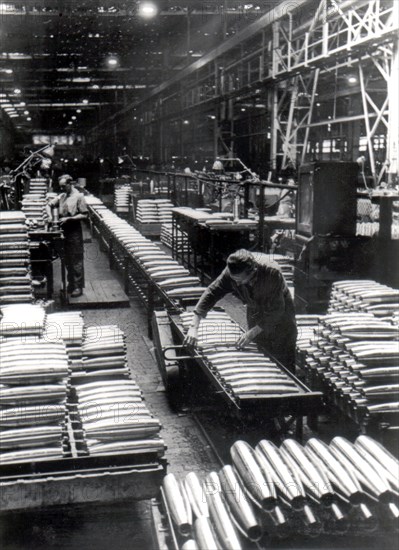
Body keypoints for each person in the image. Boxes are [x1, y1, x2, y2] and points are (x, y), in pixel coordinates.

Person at [184, 249, 297, 372]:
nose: (237, 284)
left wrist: (252, 332)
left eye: (241, 281)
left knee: (283, 349)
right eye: (235, 280)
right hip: (255, 307)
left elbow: (276, 310)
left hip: (281, 310)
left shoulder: (271, 272)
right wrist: (193, 326)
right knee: (259, 347)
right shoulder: (232, 272)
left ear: (253, 272)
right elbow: (212, 292)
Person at [47, 174, 88, 297]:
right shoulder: (62, 196)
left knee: (76, 259)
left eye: (64, 186)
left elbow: (85, 215)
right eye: (61, 187)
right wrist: (50, 217)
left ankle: (78, 287)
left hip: (74, 230)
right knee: (67, 259)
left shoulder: (79, 197)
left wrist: (70, 218)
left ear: (70, 184)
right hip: (63, 230)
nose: (62, 189)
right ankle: (71, 283)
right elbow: (49, 204)